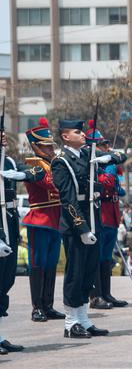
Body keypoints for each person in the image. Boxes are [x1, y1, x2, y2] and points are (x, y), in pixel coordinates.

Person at [52, 119, 126, 338]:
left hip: (95, 220)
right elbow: (68, 200)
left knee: (88, 272)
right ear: (65, 136)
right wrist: (83, 228)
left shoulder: (86, 155)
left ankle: (83, 319)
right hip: (77, 226)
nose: (83, 135)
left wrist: (109, 157)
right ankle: (70, 322)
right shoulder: (61, 162)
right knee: (75, 273)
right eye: (77, 132)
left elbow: (120, 156)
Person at [22, 118, 67, 323]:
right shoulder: (35, 166)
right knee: (38, 263)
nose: (50, 149)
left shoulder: (53, 164)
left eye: (51, 145)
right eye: (46, 146)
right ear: (35, 147)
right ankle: (37, 307)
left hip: (55, 219)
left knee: (51, 263)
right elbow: (54, 184)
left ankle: (48, 305)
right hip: (40, 219)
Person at [0, 126, 36, 352]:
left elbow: (38, 172)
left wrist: (24, 175)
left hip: (10, 222)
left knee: (6, 280)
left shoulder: (9, 162)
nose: (3, 136)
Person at [89, 130, 127, 309]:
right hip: (100, 212)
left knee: (106, 256)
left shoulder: (107, 164)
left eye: (106, 144)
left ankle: (106, 293)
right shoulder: (92, 166)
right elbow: (107, 184)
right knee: (97, 256)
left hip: (111, 213)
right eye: (103, 145)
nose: (107, 148)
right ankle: (95, 295)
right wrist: (111, 171)